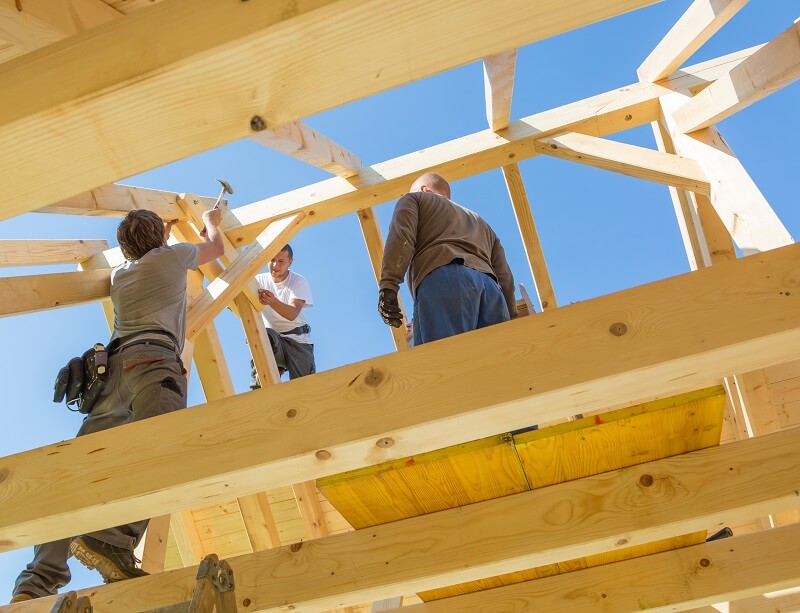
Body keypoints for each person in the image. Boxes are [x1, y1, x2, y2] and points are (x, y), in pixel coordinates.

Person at [10, 208, 224, 603]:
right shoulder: (174, 257)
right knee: (158, 452)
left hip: (111, 375)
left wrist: (157, 236)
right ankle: (113, 541)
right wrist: (212, 219)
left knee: (81, 473)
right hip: (154, 365)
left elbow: (146, 252)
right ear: (160, 240)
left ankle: (36, 582)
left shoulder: (121, 276)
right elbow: (216, 247)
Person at [378, 172, 516, 345]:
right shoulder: (483, 225)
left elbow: (401, 238)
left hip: (445, 280)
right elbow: (505, 276)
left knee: (442, 363)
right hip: (492, 294)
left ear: (423, 189)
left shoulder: (416, 199)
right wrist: (511, 318)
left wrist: (389, 285)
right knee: (496, 366)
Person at [249, 244, 315, 385]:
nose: (275, 265)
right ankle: (262, 380)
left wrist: (272, 301)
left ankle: (278, 366)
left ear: (290, 262)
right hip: (273, 340)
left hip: (297, 341)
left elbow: (292, 313)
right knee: (261, 334)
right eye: (272, 260)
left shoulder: (297, 282)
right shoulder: (259, 281)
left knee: (304, 387)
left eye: (281, 261)